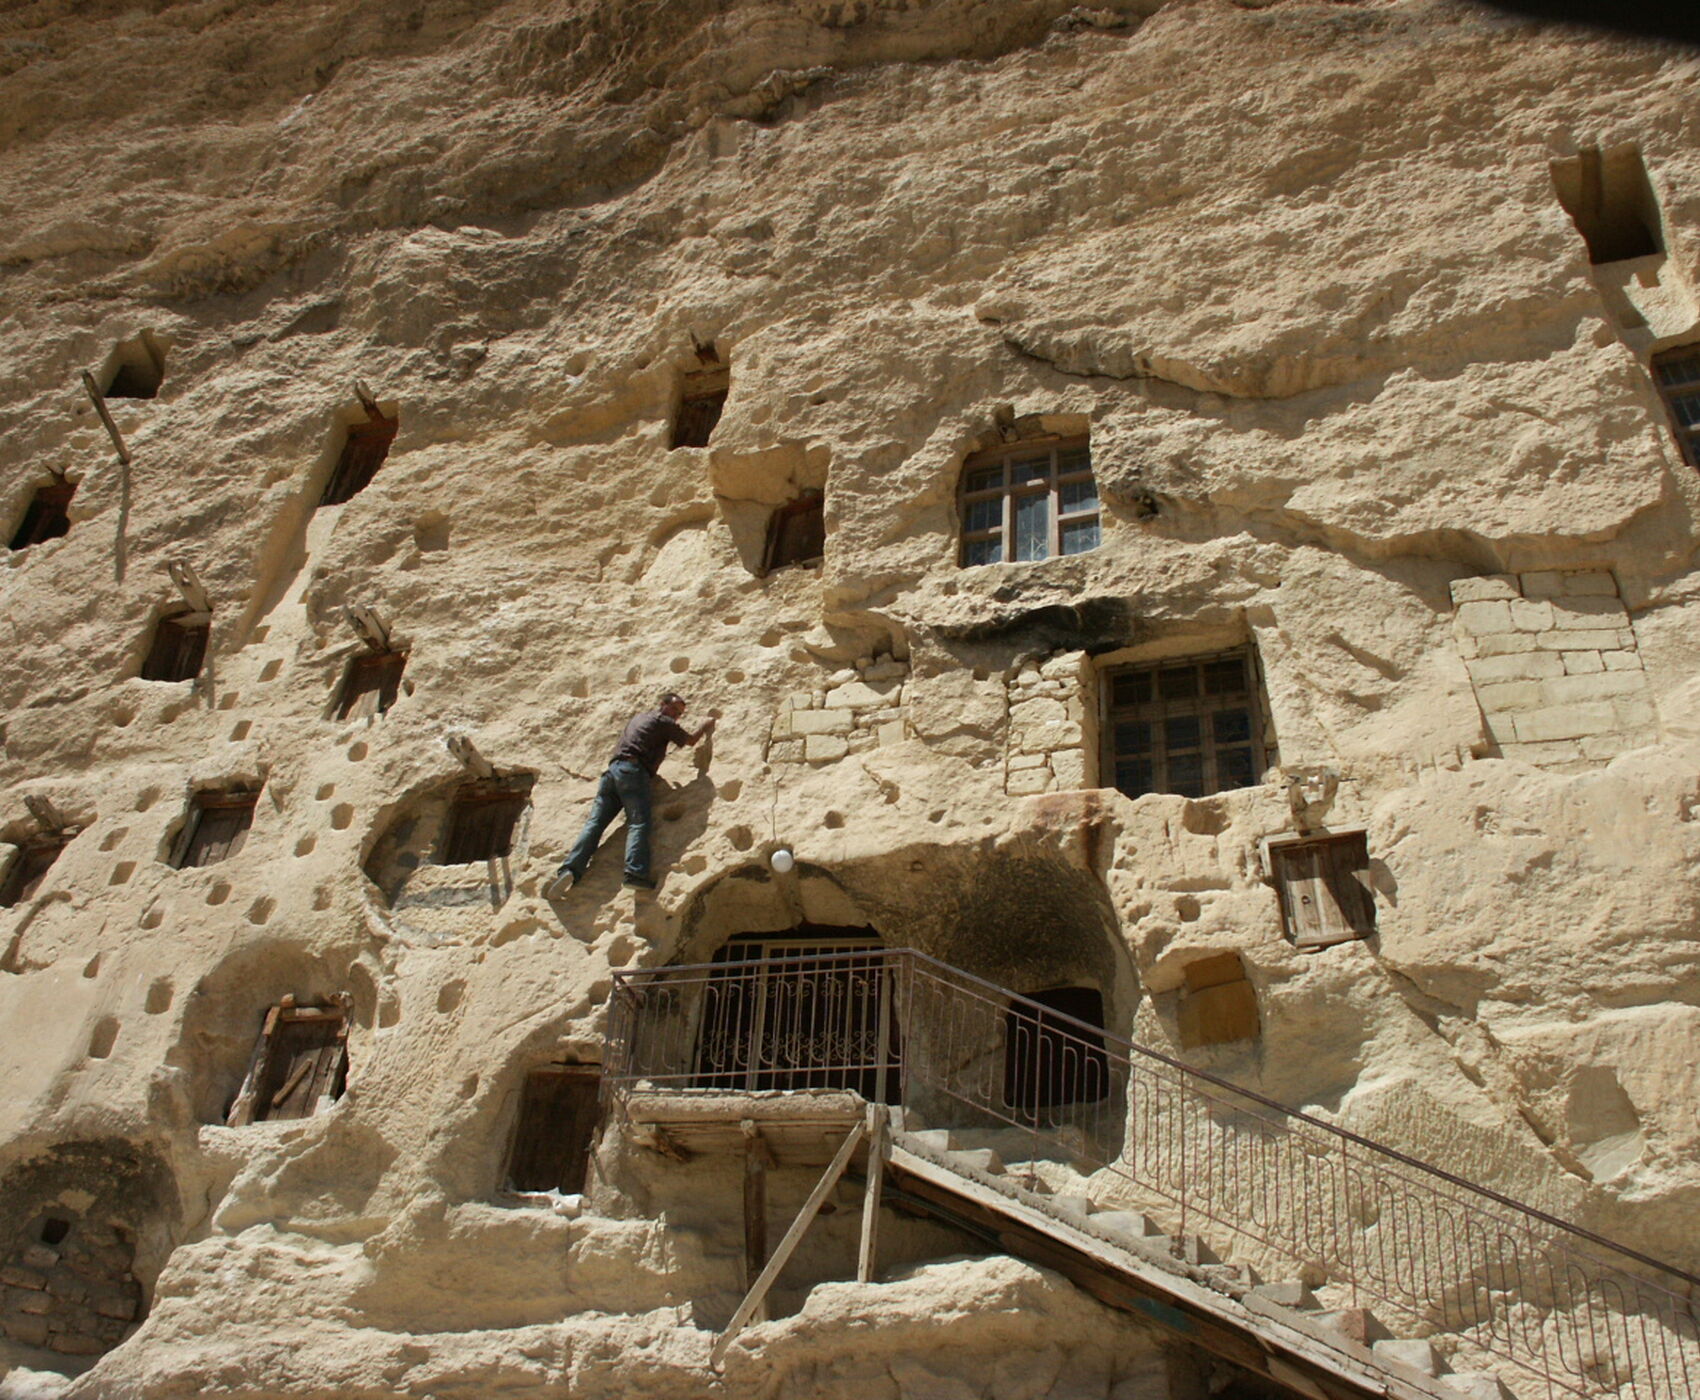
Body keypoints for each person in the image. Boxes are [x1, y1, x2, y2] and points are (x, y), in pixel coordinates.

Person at [546, 691, 715, 895]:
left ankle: (570, 869)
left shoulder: (639, 718)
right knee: (639, 822)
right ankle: (635, 874)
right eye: (675, 709)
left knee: (595, 823)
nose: (676, 715)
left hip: (612, 773)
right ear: (662, 704)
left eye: (679, 713)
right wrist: (705, 726)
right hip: (633, 773)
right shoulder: (663, 721)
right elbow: (689, 741)